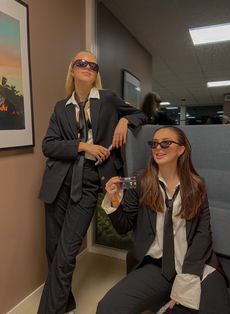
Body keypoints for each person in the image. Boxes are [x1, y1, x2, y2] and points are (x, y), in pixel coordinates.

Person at [37, 50, 147, 314]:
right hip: (58, 183)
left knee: (66, 254)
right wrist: (84, 146)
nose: (88, 66)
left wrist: (124, 120)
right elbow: (48, 145)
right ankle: (65, 303)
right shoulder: (60, 107)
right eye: (81, 63)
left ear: (96, 73)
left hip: (87, 184)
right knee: (53, 250)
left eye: (93, 65)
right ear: (72, 70)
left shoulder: (107, 99)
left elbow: (140, 115)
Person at [96, 126, 230, 314]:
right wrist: (114, 201)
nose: (158, 148)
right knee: (107, 309)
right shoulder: (140, 181)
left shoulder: (196, 186)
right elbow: (123, 226)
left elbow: (202, 236)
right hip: (157, 266)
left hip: (196, 263)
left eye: (166, 143)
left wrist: (186, 279)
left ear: (181, 149)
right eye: (154, 144)